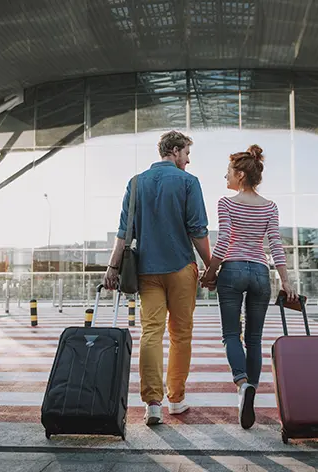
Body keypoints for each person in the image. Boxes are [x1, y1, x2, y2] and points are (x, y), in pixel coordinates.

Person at [103, 130, 212, 426]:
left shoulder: (136, 183)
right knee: (181, 335)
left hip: (147, 271)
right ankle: (175, 399)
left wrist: (112, 268)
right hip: (180, 269)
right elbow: (198, 230)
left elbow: (125, 232)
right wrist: (211, 266)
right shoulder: (189, 182)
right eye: (187, 154)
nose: (188, 161)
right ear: (175, 151)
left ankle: (153, 403)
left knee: (151, 333)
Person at [200, 144, 297, 430]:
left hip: (232, 270)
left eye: (228, 172)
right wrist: (285, 280)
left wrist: (210, 271)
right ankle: (250, 389)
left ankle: (242, 385)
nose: (225, 177)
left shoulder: (226, 203)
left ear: (240, 174)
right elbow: (275, 245)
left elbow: (225, 239)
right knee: (254, 339)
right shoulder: (270, 206)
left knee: (231, 334)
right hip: (259, 272)